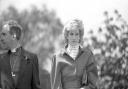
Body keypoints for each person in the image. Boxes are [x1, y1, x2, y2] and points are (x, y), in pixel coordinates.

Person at [50, 18, 98, 89]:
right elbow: (55, 86)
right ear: (67, 36)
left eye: (77, 34)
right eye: (71, 34)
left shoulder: (88, 55)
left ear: (80, 36)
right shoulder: (57, 57)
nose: (74, 37)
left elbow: (93, 82)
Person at [0, 20, 40, 89]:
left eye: (4, 34)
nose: (1, 38)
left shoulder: (32, 58)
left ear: (13, 36)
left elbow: (36, 87)